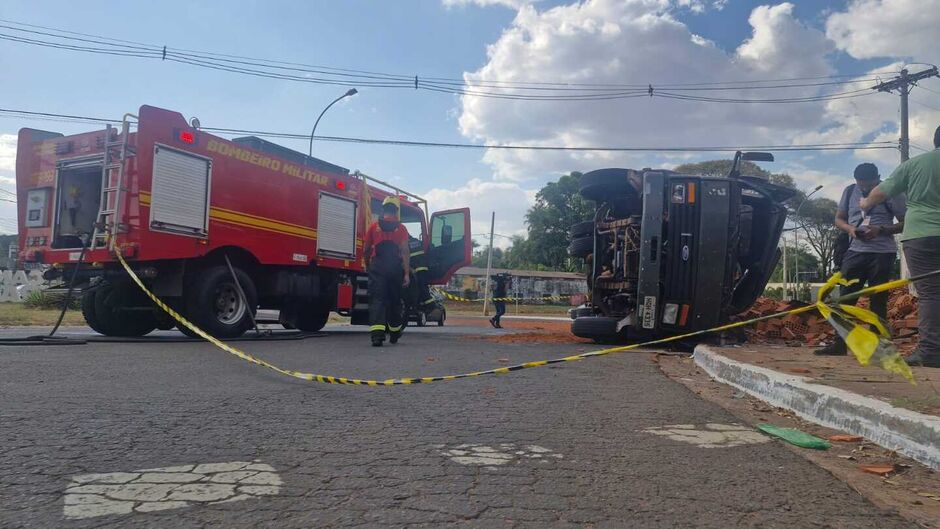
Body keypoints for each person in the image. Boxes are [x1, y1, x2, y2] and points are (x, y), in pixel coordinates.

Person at [860, 125, 940, 368]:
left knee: (931, 294)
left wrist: (865, 204)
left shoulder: (916, 164)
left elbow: (880, 192)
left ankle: (931, 351)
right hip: (921, 234)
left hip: (922, 234)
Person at [815, 163, 906, 356]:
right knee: (846, 298)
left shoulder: (890, 192)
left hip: (882, 253)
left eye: (868, 185)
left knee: (878, 300)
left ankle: (878, 346)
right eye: (861, 185)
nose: (864, 188)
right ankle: (840, 343)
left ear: (878, 178)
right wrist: (850, 230)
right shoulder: (849, 191)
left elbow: (905, 222)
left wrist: (881, 230)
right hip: (855, 251)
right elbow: (839, 219)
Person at [362, 196, 411, 347]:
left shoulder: (373, 227)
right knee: (395, 301)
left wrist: (367, 264)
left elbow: (366, 249)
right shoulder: (401, 228)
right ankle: (395, 333)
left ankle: (377, 337)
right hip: (395, 268)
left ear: (383, 209)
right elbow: (404, 251)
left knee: (377, 300)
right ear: (396, 211)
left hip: (378, 267)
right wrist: (407, 273)